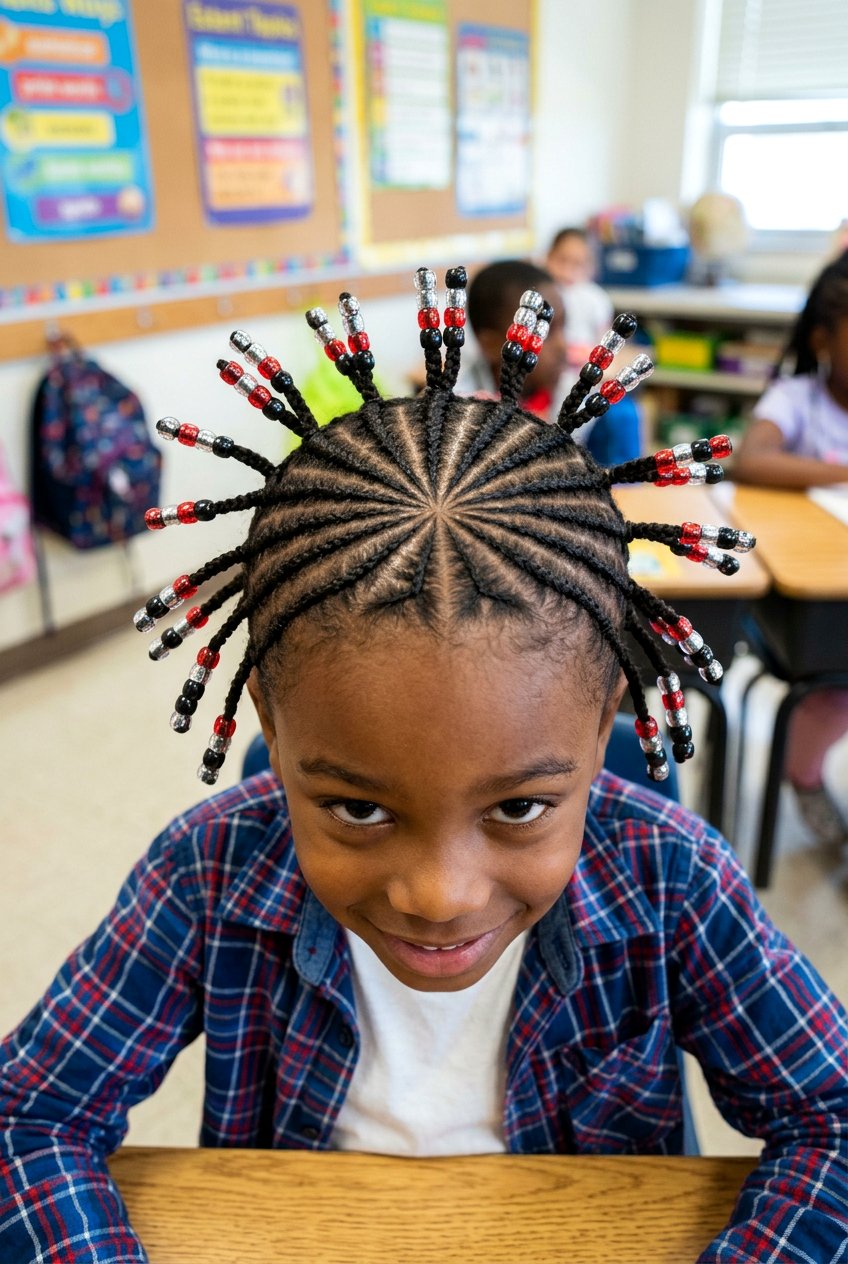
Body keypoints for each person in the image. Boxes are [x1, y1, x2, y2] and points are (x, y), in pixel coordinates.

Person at [0, 270, 846, 1264]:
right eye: (357, 809)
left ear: (609, 705)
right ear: (267, 720)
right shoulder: (209, 871)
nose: (438, 895)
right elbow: (29, 1116)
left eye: (522, 806)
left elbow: (830, 1119)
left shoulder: (670, 876)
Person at [735, 251, 848, 845]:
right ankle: (802, 772)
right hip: (809, 610)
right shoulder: (799, 399)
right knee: (834, 692)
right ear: (825, 338)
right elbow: (751, 459)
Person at [463, 258, 641, 465]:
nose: (561, 345)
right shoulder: (462, 410)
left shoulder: (603, 416)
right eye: (542, 333)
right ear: (491, 345)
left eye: (562, 326)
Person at [545, 226, 613, 363]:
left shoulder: (596, 299)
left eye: (577, 264)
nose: (567, 271)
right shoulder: (543, 293)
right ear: (548, 257)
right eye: (561, 260)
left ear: (591, 267)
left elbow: (605, 343)